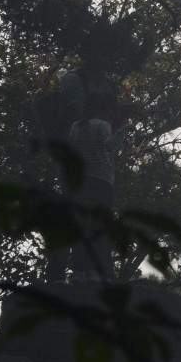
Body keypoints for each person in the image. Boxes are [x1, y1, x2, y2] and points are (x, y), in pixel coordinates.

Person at [66, 84, 125, 282]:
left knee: (82, 226)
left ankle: (78, 272)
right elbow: (109, 145)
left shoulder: (76, 126)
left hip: (81, 181)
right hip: (102, 182)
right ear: (106, 108)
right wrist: (121, 136)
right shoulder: (102, 125)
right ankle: (96, 272)